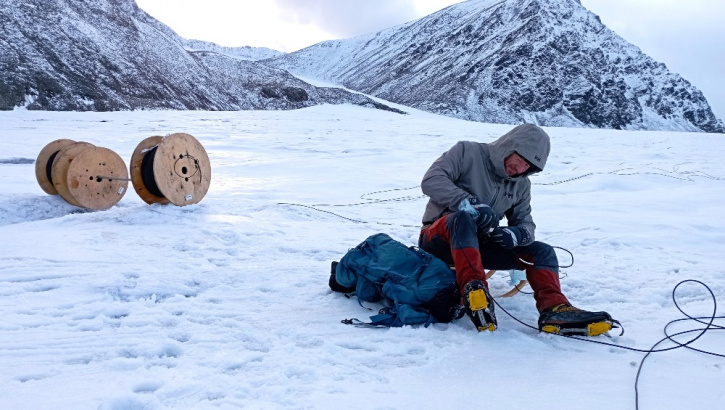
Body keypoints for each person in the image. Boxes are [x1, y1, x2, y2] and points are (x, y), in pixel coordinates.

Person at [418, 124, 617, 335]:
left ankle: (555, 309)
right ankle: (475, 291)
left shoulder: (521, 185)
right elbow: (431, 180)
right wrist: (469, 204)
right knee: (462, 219)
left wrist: (517, 234)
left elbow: (526, 224)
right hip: (439, 237)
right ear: (508, 146)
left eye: (528, 167)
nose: (520, 170)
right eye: (520, 161)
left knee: (542, 252)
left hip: (478, 245)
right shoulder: (467, 152)